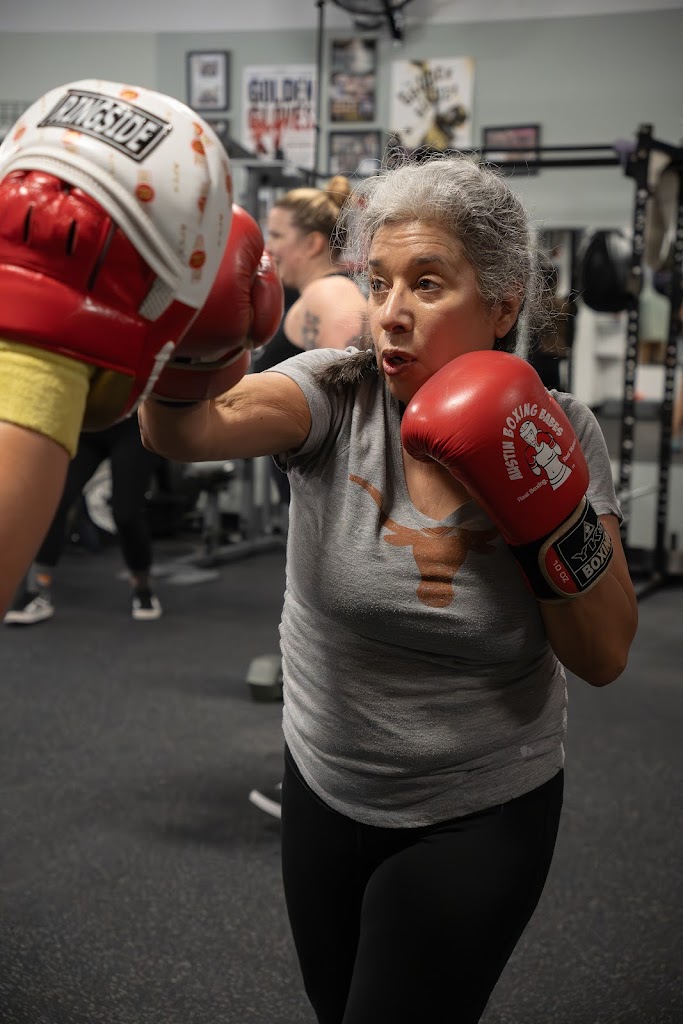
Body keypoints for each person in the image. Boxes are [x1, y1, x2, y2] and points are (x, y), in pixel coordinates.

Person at [139, 153, 638, 1024]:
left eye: (428, 284)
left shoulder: (560, 432)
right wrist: (196, 334)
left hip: (478, 803)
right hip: (325, 781)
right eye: (377, 282)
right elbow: (181, 434)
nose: (390, 313)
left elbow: (602, 654)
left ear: (503, 302)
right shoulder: (333, 394)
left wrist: (539, 506)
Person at [0, 78, 234, 618]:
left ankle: (141, 584)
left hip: (122, 429)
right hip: (86, 406)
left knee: (128, 510)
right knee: (60, 503)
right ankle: (37, 587)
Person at [4, 416, 164, 624]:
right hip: (86, 425)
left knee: (126, 513)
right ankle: (37, 590)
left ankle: (143, 588)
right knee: (54, 501)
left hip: (133, 427)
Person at [263, 176, 368, 353]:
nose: (268, 248)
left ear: (312, 244)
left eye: (277, 236)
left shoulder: (329, 293)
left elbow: (350, 377)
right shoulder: (319, 292)